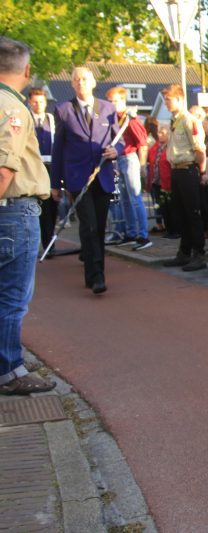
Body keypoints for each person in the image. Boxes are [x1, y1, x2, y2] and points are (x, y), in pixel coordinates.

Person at [0, 37, 57, 395]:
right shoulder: (14, 109)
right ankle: (10, 369)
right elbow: (6, 167)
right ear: (25, 70)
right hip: (15, 210)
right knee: (13, 296)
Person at [51, 67, 122, 293]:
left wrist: (116, 151)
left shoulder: (108, 108)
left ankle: (93, 273)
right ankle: (96, 276)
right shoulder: (63, 110)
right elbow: (58, 148)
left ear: (93, 82)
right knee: (88, 224)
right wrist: (55, 184)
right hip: (77, 178)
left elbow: (118, 138)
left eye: (85, 79)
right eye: (76, 79)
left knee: (99, 226)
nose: (81, 82)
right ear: (72, 84)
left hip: (103, 176)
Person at [161, 84, 208, 272]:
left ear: (179, 99)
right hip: (175, 170)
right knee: (180, 213)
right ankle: (184, 251)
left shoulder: (189, 120)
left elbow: (199, 149)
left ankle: (199, 253)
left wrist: (202, 172)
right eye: (165, 99)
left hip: (188, 169)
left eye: (169, 99)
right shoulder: (174, 120)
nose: (166, 103)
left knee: (192, 213)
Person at [105, 87, 151, 250]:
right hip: (120, 159)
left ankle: (144, 236)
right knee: (125, 200)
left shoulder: (130, 119)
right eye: (110, 101)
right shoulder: (114, 119)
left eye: (115, 101)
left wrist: (143, 165)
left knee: (136, 199)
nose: (112, 104)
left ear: (123, 100)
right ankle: (130, 233)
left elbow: (143, 143)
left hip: (131, 159)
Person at [28, 87, 58, 258]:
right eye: (35, 102)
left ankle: (49, 244)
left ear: (45, 103)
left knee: (51, 207)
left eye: (41, 102)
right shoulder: (26, 119)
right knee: (35, 206)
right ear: (29, 102)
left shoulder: (51, 119)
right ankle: (34, 242)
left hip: (51, 167)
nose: (38, 105)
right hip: (34, 167)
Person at [147, 125, 176, 239]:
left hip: (168, 181)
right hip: (157, 182)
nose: (160, 135)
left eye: (163, 133)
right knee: (163, 207)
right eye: (159, 132)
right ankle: (169, 230)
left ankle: (175, 230)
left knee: (172, 207)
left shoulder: (172, 146)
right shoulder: (156, 146)